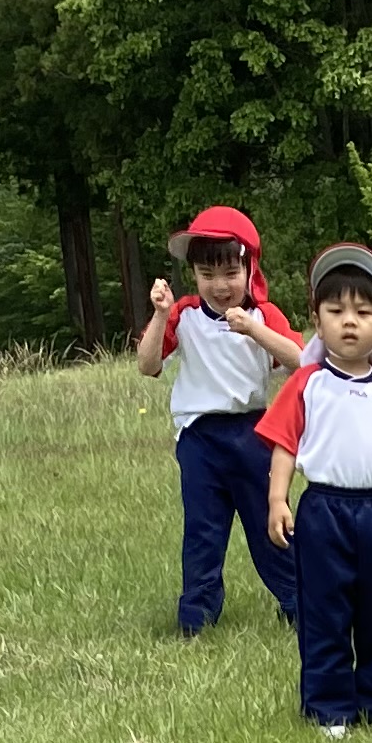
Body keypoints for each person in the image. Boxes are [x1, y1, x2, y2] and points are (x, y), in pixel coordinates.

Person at [258, 242, 372, 736]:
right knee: (324, 612)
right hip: (324, 512)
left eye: (363, 311)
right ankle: (329, 707)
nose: (349, 322)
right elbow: (284, 445)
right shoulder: (307, 383)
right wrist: (277, 499)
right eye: (335, 311)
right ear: (316, 318)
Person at [139, 204, 305, 637]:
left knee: (270, 524)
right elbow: (147, 364)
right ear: (193, 275)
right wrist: (160, 314)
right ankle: (196, 618)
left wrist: (253, 330)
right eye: (207, 274)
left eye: (231, 273)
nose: (220, 285)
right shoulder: (185, 315)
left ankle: (299, 603)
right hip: (200, 438)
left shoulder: (263, 315)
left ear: (250, 270)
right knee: (203, 530)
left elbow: (300, 360)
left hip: (253, 434)